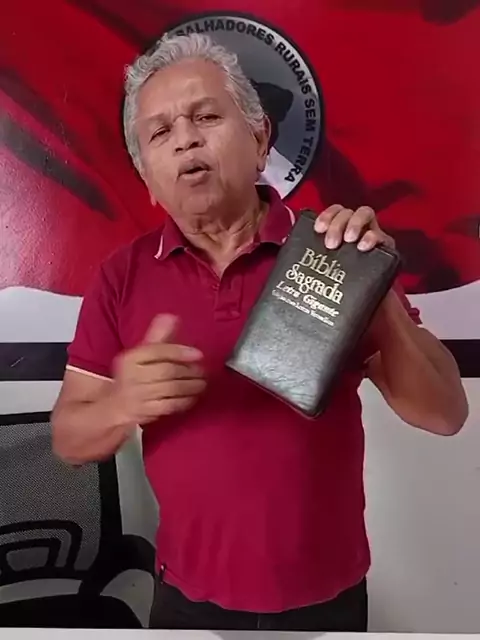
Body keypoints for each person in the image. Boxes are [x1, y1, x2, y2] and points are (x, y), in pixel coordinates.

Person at [51, 33, 468, 631]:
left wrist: (375, 293)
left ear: (260, 137)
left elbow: (446, 413)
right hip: (185, 597)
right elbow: (68, 439)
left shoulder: (331, 253)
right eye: (160, 132)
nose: (186, 139)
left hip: (325, 598)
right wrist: (122, 404)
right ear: (148, 179)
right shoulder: (121, 277)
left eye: (206, 117)